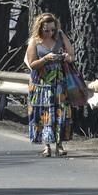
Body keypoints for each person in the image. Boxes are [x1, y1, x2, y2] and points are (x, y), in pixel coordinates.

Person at [25, 13, 75, 157]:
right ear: (40, 29)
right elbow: (32, 64)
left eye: (52, 30)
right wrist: (45, 59)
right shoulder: (35, 41)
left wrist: (66, 57)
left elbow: (71, 55)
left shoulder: (60, 37)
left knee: (60, 113)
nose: (50, 33)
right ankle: (46, 146)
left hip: (59, 82)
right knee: (43, 114)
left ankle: (59, 145)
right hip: (41, 83)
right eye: (46, 30)